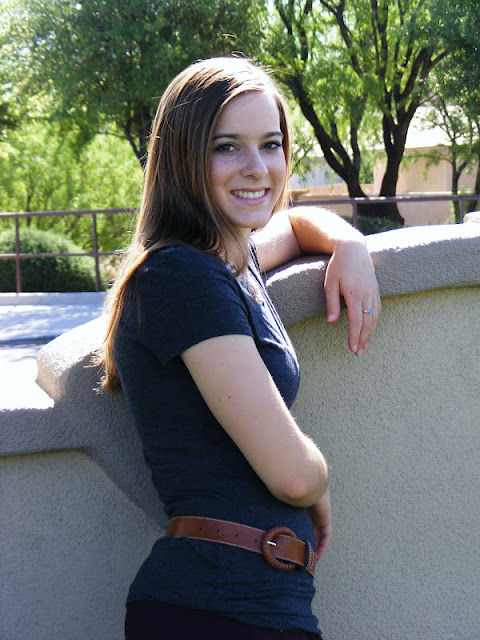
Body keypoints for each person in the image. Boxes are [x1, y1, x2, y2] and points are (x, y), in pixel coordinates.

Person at [96, 56, 380, 640]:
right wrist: (317, 481)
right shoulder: (181, 275)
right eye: (227, 147)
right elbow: (292, 477)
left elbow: (292, 227)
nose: (257, 167)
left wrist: (349, 242)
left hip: (250, 603)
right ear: (182, 158)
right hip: (213, 608)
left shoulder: (231, 263)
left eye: (271, 144)